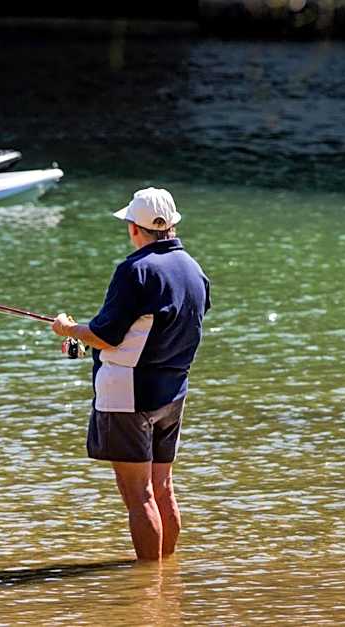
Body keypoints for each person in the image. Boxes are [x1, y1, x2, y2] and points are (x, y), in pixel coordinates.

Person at [51, 187, 211, 561]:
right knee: (163, 488)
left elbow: (105, 335)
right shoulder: (194, 270)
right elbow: (155, 329)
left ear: (134, 228)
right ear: (171, 225)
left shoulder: (135, 270)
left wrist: (68, 329)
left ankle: (148, 589)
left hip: (129, 393)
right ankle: (166, 580)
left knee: (139, 496)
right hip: (173, 393)